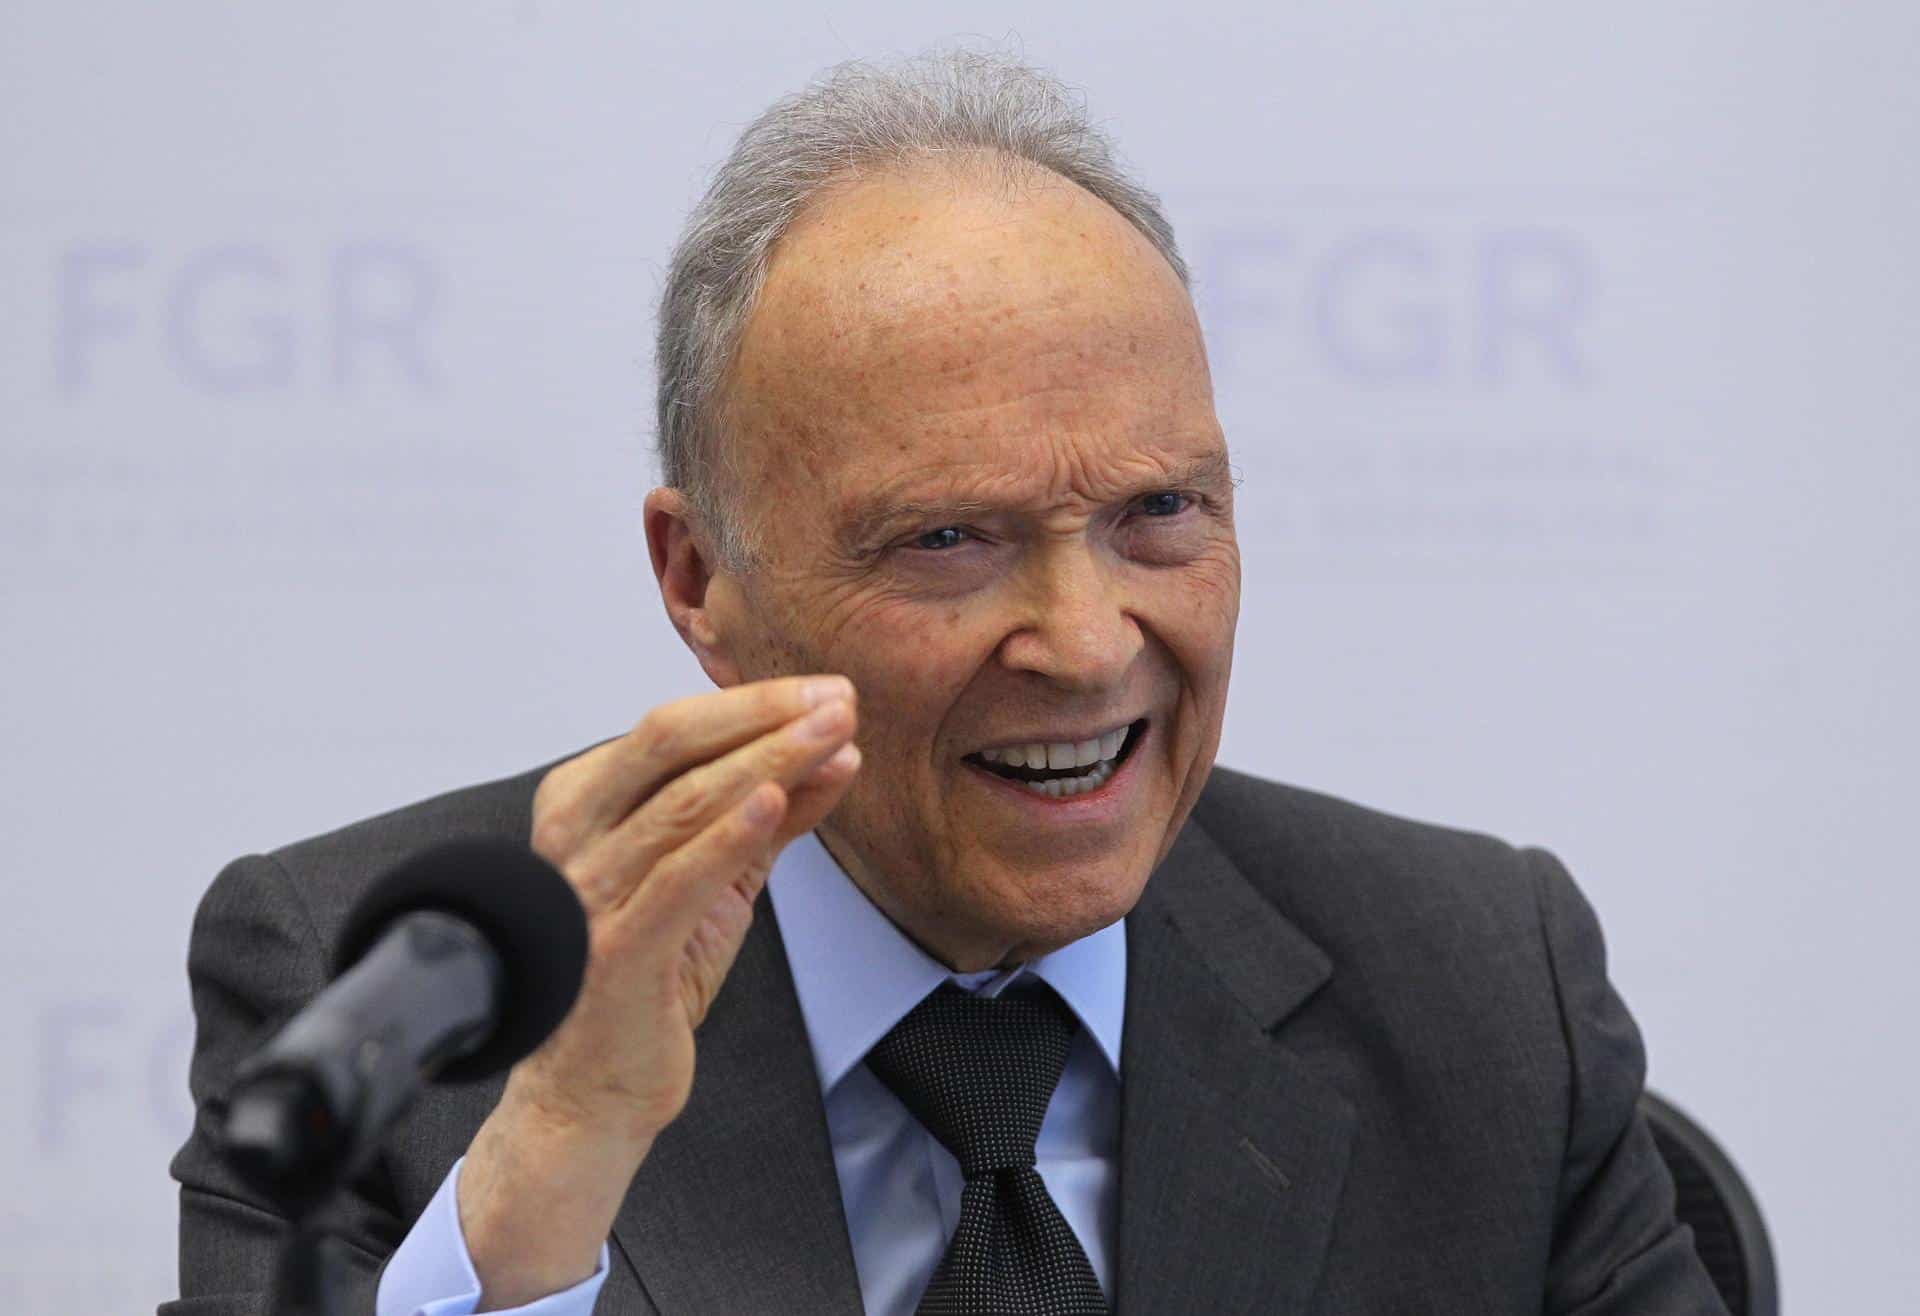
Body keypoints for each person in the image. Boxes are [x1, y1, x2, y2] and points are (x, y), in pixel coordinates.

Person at [165, 48, 1728, 1316]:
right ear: (698, 580)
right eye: (947, 540)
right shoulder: (380, 994)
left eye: (1159, 513)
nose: (1087, 640)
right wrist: (564, 1144)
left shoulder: (1481, 995)